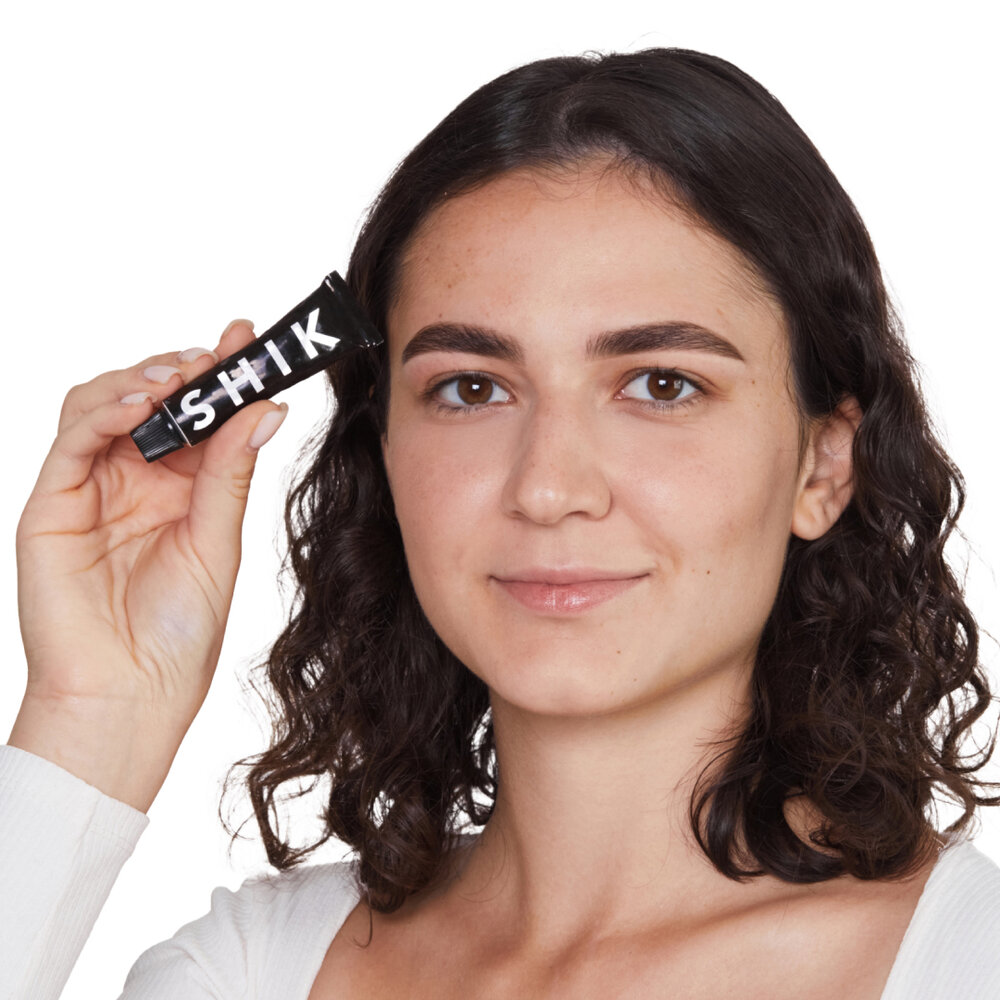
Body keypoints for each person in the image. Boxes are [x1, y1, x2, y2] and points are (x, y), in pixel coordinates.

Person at [2, 47, 999, 999]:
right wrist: (92, 715)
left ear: (824, 464)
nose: (548, 487)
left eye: (661, 384)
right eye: (472, 388)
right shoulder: (253, 971)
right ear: (383, 450)